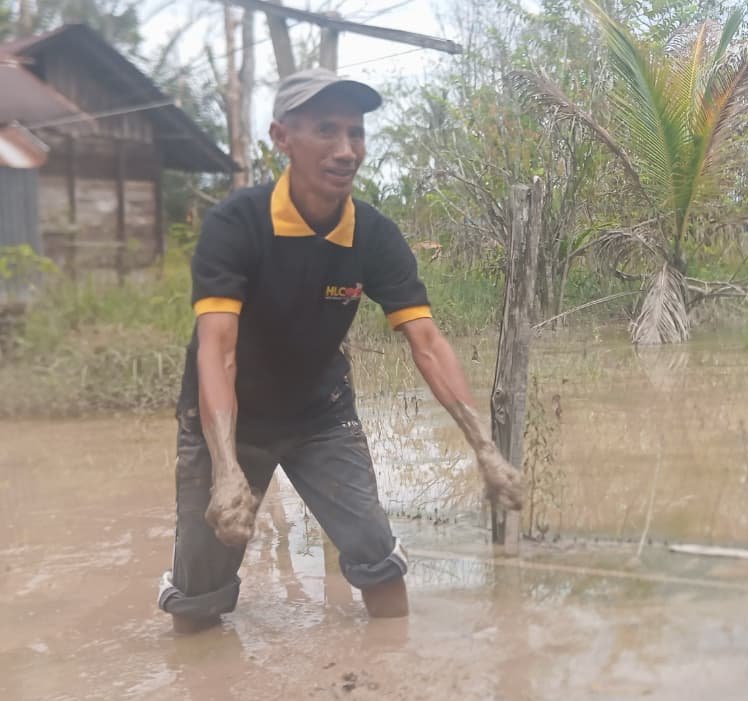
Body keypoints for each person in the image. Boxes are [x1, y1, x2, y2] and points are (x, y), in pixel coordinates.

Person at [157, 68, 524, 634]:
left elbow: (426, 342)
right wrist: (227, 468)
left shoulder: (373, 235)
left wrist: (484, 447)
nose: (346, 149)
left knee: (376, 556)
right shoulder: (237, 225)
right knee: (200, 595)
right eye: (326, 131)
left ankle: (390, 678)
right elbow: (217, 349)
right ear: (282, 138)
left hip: (319, 415)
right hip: (230, 420)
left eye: (355, 133)